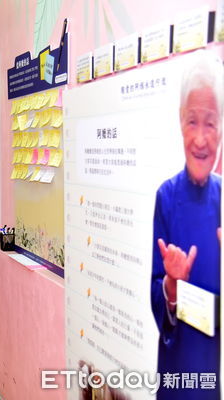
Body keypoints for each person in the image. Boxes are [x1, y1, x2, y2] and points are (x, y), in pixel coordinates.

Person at [151, 50, 222, 399]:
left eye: (210, 122)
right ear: (180, 121)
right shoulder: (166, 196)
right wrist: (171, 288)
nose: (200, 138)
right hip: (177, 369)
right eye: (192, 121)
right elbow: (154, 288)